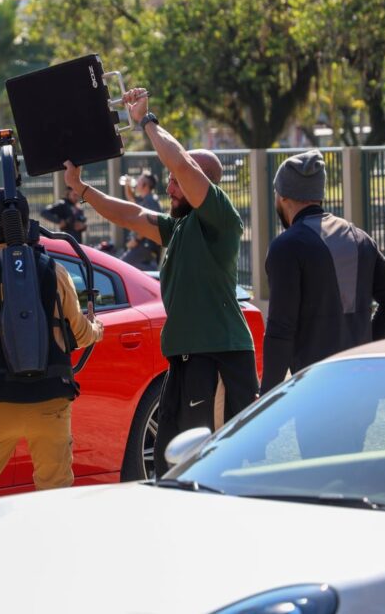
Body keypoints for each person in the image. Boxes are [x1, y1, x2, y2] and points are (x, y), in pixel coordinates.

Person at [63, 87, 258, 479]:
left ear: (203, 186)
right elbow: (132, 215)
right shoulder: (181, 226)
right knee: (173, 456)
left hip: (219, 356)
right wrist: (81, 189)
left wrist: (146, 121)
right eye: (168, 179)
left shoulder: (219, 218)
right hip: (186, 356)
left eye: (176, 181)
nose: (170, 186)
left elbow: (185, 165)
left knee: (213, 460)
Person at [0, 188, 104, 511]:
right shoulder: (54, 271)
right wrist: (96, 329)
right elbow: (80, 334)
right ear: (28, 224)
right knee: (56, 494)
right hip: (51, 402)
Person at [262, 150, 385, 395]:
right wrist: (367, 347)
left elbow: (281, 329)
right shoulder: (359, 238)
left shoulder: (286, 247)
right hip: (361, 385)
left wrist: (268, 395)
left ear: (283, 196)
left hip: (314, 389)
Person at [120, 171, 162, 270]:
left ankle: (153, 270)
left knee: (122, 266)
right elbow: (131, 199)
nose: (137, 183)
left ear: (145, 185)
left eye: (139, 181)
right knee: (133, 269)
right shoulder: (146, 199)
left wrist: (136, 240)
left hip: (146, 246)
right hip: (144, 246)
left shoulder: (150, 200)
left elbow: (150, 223)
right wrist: (127, 185)